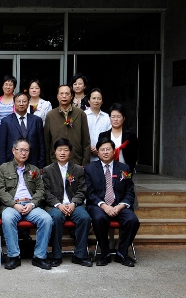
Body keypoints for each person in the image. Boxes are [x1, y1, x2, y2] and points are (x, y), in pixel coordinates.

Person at [0, 138, 53, 270]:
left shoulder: (34, 169)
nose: (24, 153)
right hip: (12, 205)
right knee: (7, 218)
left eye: (26, 150)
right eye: (21, 150)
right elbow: (1, 191)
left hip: (30, 205)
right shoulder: (3, 168)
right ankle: (14, 256)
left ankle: (40, 256)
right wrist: (14, 204)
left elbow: (41, 190)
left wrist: (32, 204)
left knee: (47, 219)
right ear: (13, 150)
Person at [85, 138, 140, 267]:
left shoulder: (124, 168)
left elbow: (130, 192)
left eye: (108, 149)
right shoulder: (89, 169)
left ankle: (122, 254)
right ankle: (105, 254)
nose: (105, 152)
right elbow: (89, 193)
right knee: (99, 218)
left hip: (119, 205)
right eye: (102, 150)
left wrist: (120, 206)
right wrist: (104, 206)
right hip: (99, 205)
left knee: (132, 220)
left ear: (114, 151)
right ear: (98, 152)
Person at [42, 138, 93, 268]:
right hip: (55, 206)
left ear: (70, 152)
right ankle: (56, 255)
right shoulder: (48, 170)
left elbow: (82, 190)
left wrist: (73, 203)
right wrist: (58, 205)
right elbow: (45, 192)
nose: (62, 153)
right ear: (55, 152)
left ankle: (80, 255)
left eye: (65, 150)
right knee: (56, 217)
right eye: (60, 150)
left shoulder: (78, 169)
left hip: (74, 205)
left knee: (85, 218)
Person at [44, 85, 91, 166]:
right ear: (57, 96)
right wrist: (48, 164)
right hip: (55, 162)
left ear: (71, 96)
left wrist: (85, 163)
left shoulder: (80, 114)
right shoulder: (50, 115)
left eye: (67, 94)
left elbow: (86, 141)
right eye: (61, 94)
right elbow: (47, 142)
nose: (64, 96)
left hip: (76, 161)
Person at [0, 92, 46, 168]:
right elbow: (1, 147)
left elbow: (41, 145)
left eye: (24, 101)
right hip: (11, 164)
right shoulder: (6, 121)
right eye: (18, 101)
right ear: (14, 104)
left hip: (33, 163)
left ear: (28, 103)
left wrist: (41, 165)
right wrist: (3, 167)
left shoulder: (37, 120)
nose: (21, 104)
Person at [98, 103, 140, 174]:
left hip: (125, 170)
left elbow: (134, 155)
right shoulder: (103, 136)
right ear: (110, 118)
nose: (115, 119)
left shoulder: (130, 136)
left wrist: (130, 170)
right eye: (113, 117)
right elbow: (100, 154)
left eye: (118, 117)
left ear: (123, 118)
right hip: (107, 170)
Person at [85, 88, 111, 162]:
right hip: (86, 155)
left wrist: (99, 149)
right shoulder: (83, 115)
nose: (96, 101)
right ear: (89, 101)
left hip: (103, 155)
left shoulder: (107, 117)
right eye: (94, 98)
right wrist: (90, 147)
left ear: (102, 101)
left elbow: (109, 135)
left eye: (99, 99)